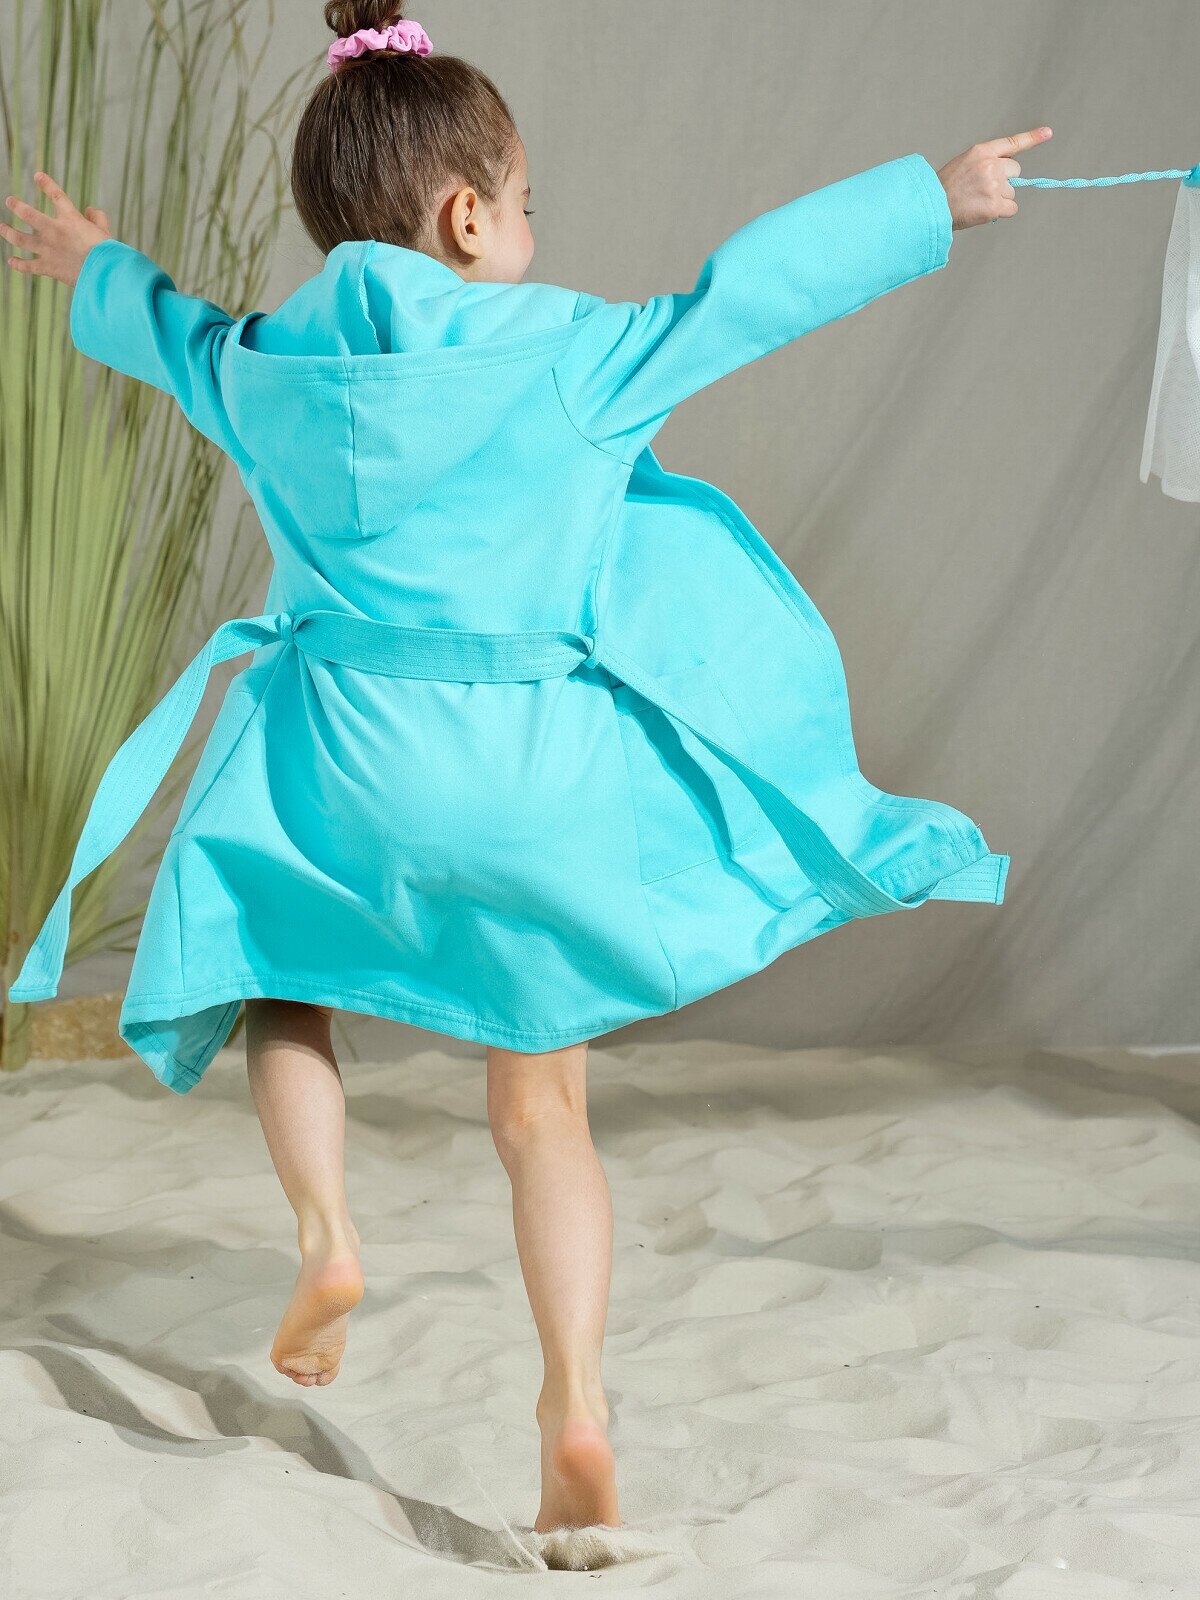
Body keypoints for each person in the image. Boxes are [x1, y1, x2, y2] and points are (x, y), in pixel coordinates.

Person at [2, 0, 1049, 1537]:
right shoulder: (573, 355)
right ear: (467, 217)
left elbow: (169, 330)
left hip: (339, 774)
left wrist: (98, 262)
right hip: (532, 784)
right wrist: (928, 199)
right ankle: (574, 1406)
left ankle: (326, 1230)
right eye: (531, 203)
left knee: (273, 974)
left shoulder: (262, 364)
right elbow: (744, 295)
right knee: (542, 1112)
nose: (538, 230)